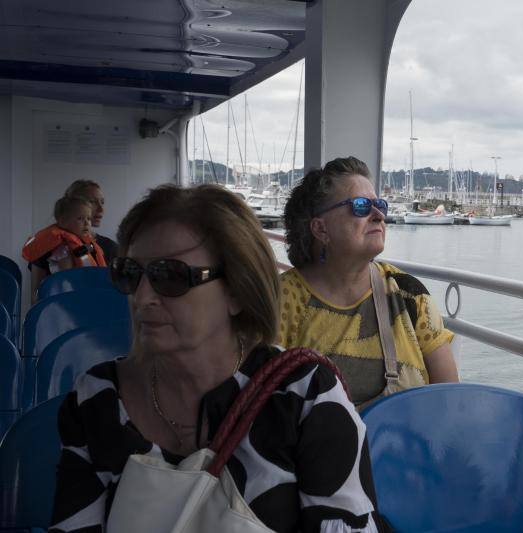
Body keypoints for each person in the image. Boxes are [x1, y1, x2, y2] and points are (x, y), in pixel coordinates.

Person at [50, 185, 382, 532]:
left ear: (237, 291)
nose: (143, 297)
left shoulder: (306, 396)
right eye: (131, 274)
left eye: (170, 276)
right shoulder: (96, 397)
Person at [280, 156, 459, 408]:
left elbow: (449, 399)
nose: (378, 215)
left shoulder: (408, 293)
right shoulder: (282, 301)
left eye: (380, 205)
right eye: (361, 206)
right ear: (321, 229)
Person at [22, 196, 106, 300]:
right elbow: (64, 277)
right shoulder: (62, 248)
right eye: (80, 218)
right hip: (68, 298)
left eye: (88, 218)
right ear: (62, 221)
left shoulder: (82, 243)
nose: (86, 223)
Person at [64, 179, 119, 261]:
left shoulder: (110, 248)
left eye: (102, 202)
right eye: (92, 202)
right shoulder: (51, 244)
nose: (101, 209)